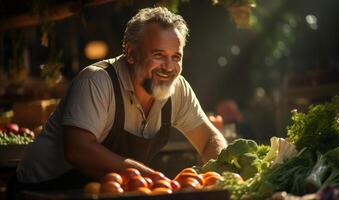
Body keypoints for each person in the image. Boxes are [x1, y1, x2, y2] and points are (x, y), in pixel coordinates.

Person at [7, 7, 227, 198]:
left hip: (99, 191)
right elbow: (78, 149)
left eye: (176, 57)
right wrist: (147, 175)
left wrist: (220, 175)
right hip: (41, 191)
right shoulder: (96, 81)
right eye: (159, 55)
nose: (169, 67)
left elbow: (210, 139)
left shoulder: (178, 89)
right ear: (131, 53)